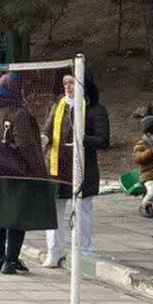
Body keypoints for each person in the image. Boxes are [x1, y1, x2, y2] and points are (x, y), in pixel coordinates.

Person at [0, 72, 55, 274]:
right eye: (21, 87)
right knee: (17, 218)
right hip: (17, 172)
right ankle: (11, 261)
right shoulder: (17, 113)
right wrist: (40, 172)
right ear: (14, 89)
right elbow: (26, 145)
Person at [42, 73, 109, 267]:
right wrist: (44, 139)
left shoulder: (95, 109)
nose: (67, 86)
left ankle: (83, 254)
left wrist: (82, 139)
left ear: (82, 84)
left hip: (83, 168)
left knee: (82, 210)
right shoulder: (58, 104)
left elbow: (103, 140)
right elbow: (48, 129)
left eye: (71, 82)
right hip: (57, 167)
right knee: (54, 210)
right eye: (65, 83)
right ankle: (54, 252)